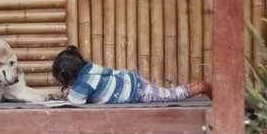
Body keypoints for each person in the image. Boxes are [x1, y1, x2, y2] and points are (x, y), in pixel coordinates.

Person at [51, 45, 212, 104]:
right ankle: (202, 86)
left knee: (169, 95)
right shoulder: (91, 68)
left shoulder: (84, 83)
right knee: (167, 93)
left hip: (137, 92)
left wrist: (66, 97)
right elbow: (110, 72)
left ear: (66, 75)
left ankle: (202, 86)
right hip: (132, 80)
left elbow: (76, 101)